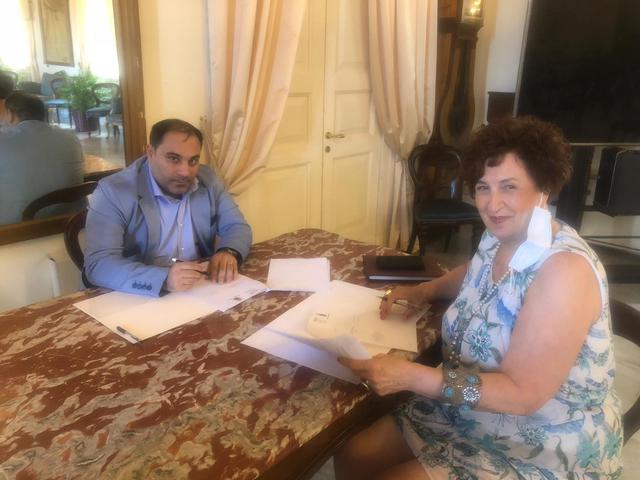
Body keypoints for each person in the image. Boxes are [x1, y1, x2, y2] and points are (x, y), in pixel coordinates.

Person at [336, 116, 623, 479]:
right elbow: (476, 269)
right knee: (354, 453)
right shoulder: (499, 236)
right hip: (467, 408)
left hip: (541, 440)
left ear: (544, 188)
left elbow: (523, 395)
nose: (492, 204)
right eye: (483, 188)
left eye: (509, 187)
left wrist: (412, 377)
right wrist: (423, 291)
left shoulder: (564, 272)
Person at [84, 118, 252, 296]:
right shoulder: (113, 191)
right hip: (134, 294)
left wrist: (229, 251)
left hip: (198, 289)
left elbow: (237, 226)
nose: (185, 172)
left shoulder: (208, 180)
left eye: (193, 161)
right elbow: (99, 264)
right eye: (173, 159)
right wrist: (163, 279)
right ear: (150, 152)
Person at [0, 92, 84, 225]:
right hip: (74, 223)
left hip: (19, 229)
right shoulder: (70, 138)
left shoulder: (3, 139)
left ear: (10, 115)